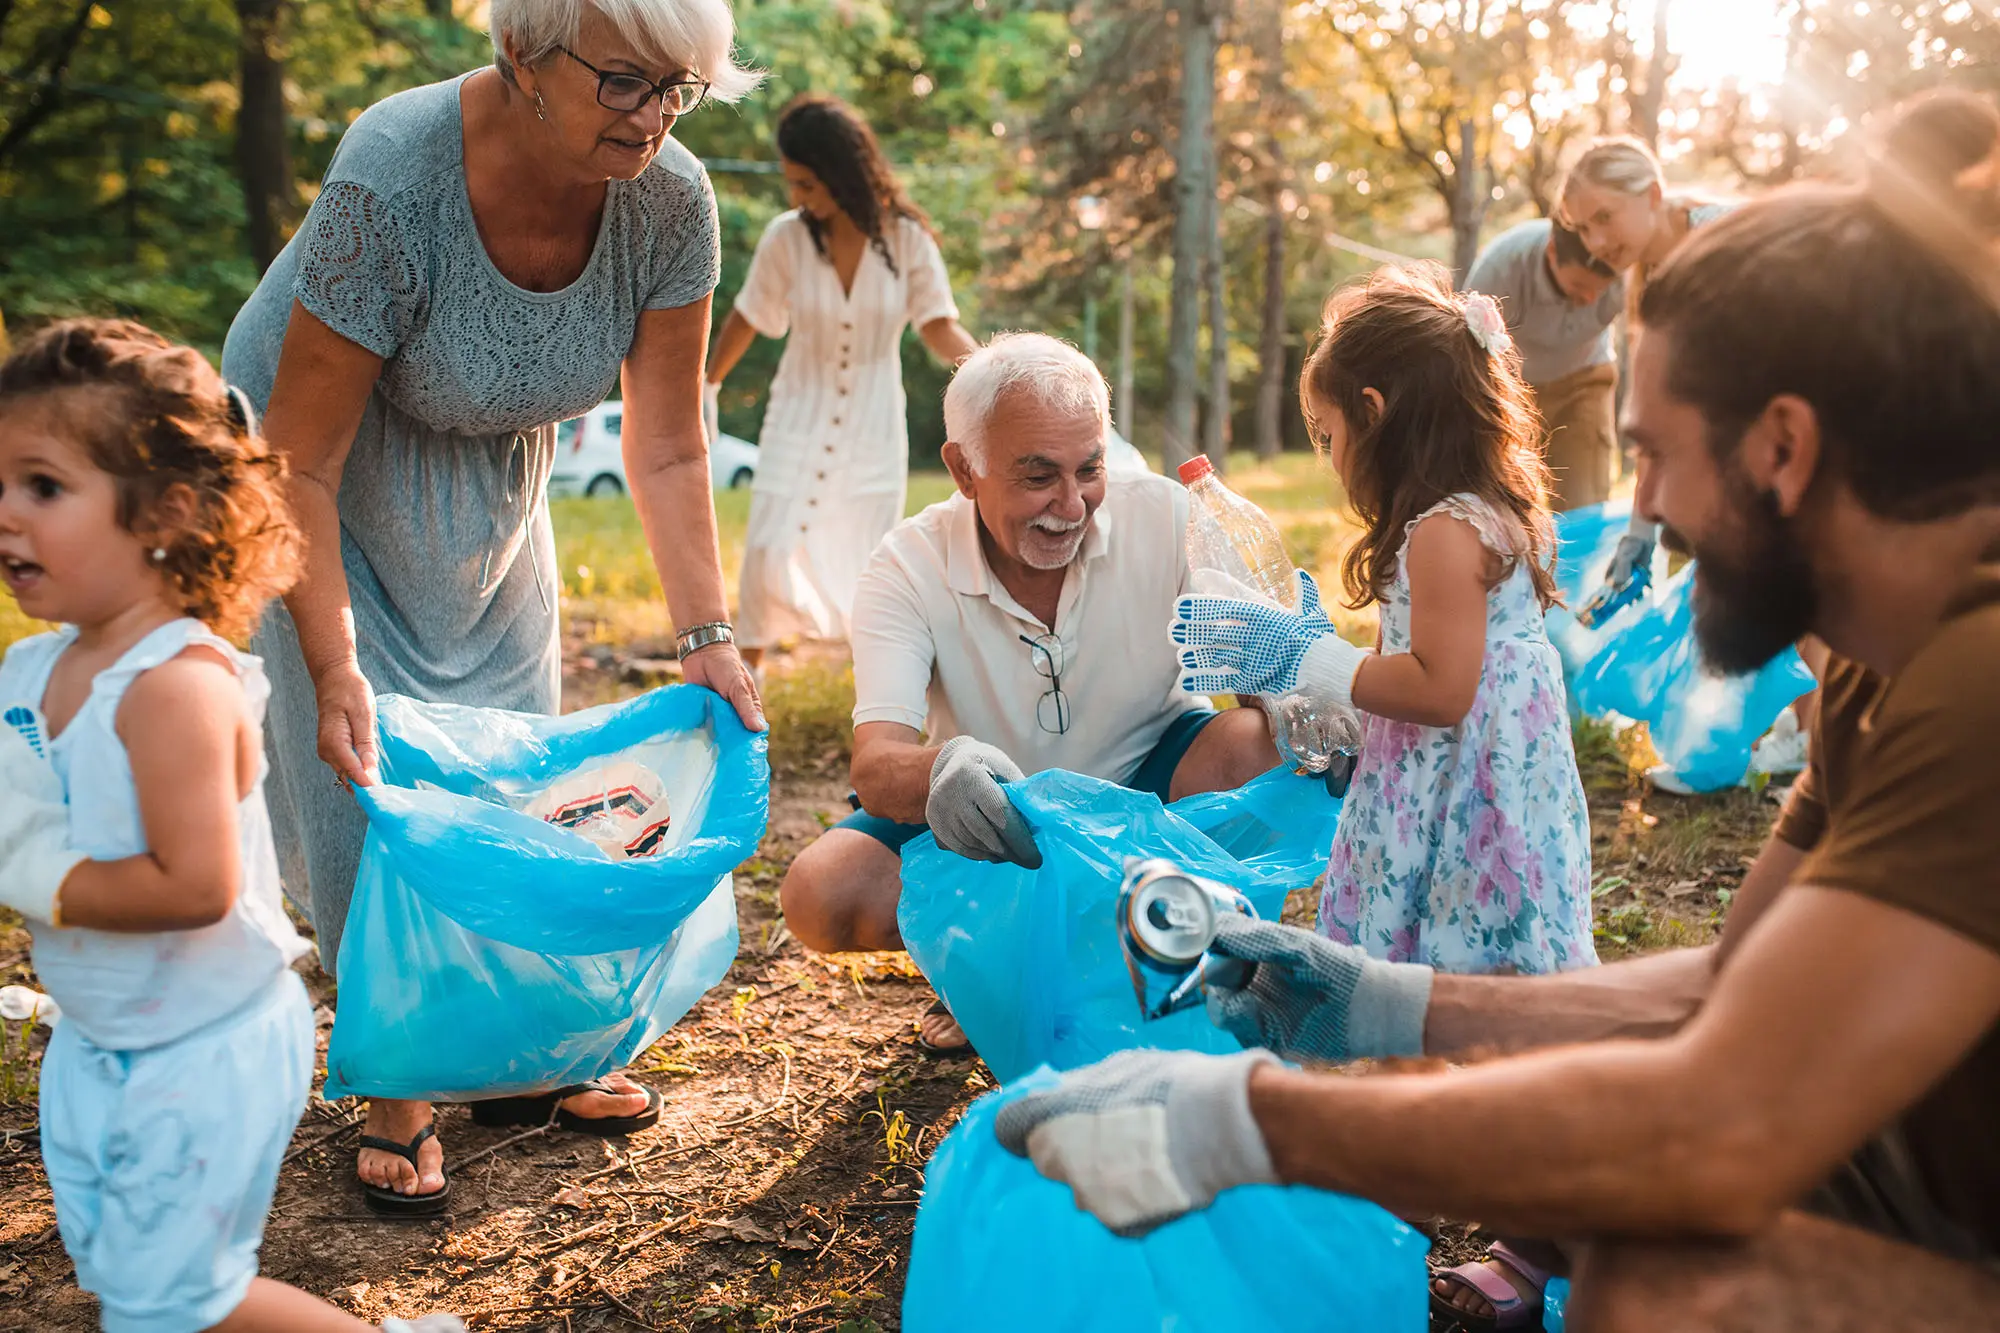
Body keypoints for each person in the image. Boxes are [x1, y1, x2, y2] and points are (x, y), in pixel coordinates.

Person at [995, 182, 2000, 1331]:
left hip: (1933, 1213)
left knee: (1674, 1290)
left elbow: (1722, 1123)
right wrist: (1381, 1001)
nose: (1649, 510)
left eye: (1656, 458)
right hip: (1901, 1168)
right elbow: (1729, 981)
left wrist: (1241, 1126)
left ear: (1782, 446)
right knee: (1626, 1257)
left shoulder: (1976, 686)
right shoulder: (1877, 672)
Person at [219, 0, 766, 1216]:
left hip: (489, 472)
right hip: (321, 473)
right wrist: (335, 662)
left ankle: (530, 1041)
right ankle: (402, 1080)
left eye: (678, 87)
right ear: (522, 55)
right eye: (624, 81)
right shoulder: (394, 173)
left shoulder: (671, 200)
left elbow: (670, 444)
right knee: (370, 776)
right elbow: (297, 459)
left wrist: (708, 635)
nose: (653, 116)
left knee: (519, 761)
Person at [0, 320, 465, 1333]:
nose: (5, 516)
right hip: (103, 1036)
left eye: (41, 487)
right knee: (124, 1281)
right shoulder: (33, 672)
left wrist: (34, 871)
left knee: (181, 1302)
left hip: (199, 1047)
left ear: (163, 511)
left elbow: (195, 885)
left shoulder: (173, 686)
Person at [778, 333, 1279, 1053]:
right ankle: (996, 968)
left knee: (1257, 751)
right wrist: (942, 768)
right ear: (963, 468)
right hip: (1002, 827)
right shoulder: (906, 566)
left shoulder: (1167, 518)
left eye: (1090, 469)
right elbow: (876, 760)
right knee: (820, 894)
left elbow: (1261, 682)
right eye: (1038, 476)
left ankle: (1168, 950)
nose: (1072, 506)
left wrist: (1302, 703)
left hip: (1152, 782)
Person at [1172, 267, 1595, 976]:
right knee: (1456, 948)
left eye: (1328, 433)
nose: (1330, 456)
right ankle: (1419, 1067)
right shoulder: (1480, 512)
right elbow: (1404, 665)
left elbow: (1440, 690)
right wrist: (1333, 704)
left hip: (1460, 786)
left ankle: (1425, 1067)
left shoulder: (1445, 532)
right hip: (1480, 769)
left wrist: (1309, 658)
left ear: (1374, 411)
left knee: (1443, 945)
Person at [705, 94, 979, 669]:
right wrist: (705, 383)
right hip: (796, 416)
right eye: (792, 183)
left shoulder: (907, 241)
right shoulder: (788, 237)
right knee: (766, 546)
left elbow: (938, 327)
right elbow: (748, 317)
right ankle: (744, 691)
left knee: (872, 558)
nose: (795, 196)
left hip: (873, 429)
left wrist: (999, 374)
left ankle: (880, 698)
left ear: (840, 172)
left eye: (806, 183)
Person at [1463, 218, 1625, 511]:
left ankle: (1584, 556)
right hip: (1513, 393)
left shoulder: (1625, 267)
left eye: (1600, 289)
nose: (1590, 299)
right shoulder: (1501, 268)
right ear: (1552, 253)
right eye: (1579, 285)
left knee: (1584, 500)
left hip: (1585, 381)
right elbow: (1470, 356)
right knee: (1508, 504)